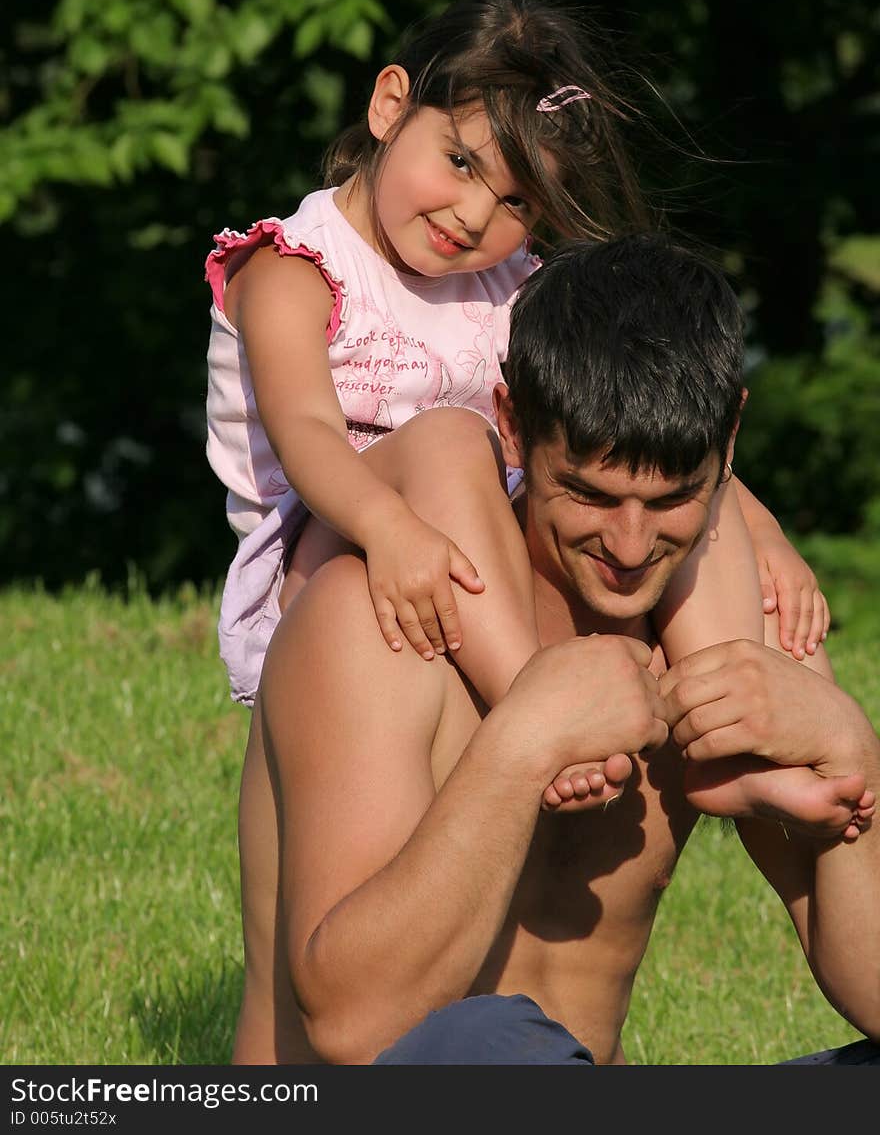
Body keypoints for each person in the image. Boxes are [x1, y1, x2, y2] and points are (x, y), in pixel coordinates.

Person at [240, 233, 878, 1066]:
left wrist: (851, 754)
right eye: (588, 492)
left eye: (673, 500)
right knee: (487, 1040)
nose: (630, 543)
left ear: (729, 445)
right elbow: (354, 1029)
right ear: (512, 426)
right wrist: (521, 742)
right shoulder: (381, 623)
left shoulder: (724, 626)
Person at [204, 0, 829, 826]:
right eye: (461, 163)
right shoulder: (294, 269)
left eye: (515, 201)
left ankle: (732, 743)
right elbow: (308, 434)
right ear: (390, 105)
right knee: (452, 439)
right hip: (327, 548)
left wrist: (762, 531)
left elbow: (622, 424)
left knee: (658, 479)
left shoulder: (512, 285)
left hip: (474, 538)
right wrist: (390, 527)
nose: (472, 216)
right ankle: (543, 717)